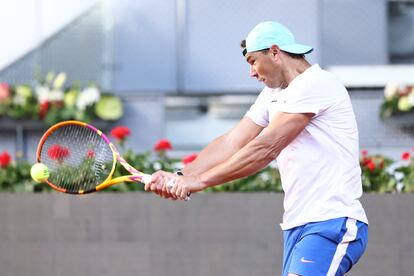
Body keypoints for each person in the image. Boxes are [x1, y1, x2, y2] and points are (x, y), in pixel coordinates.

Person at [145, 21, 368, 276]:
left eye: (252, 61)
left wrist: (200, 181)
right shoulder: (271, 95)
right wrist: (182, 176)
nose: (251, 72)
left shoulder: (316, 84)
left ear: (275, 52)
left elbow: (266, 148)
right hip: (298, 226)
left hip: (332, 222)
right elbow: (232, 141)